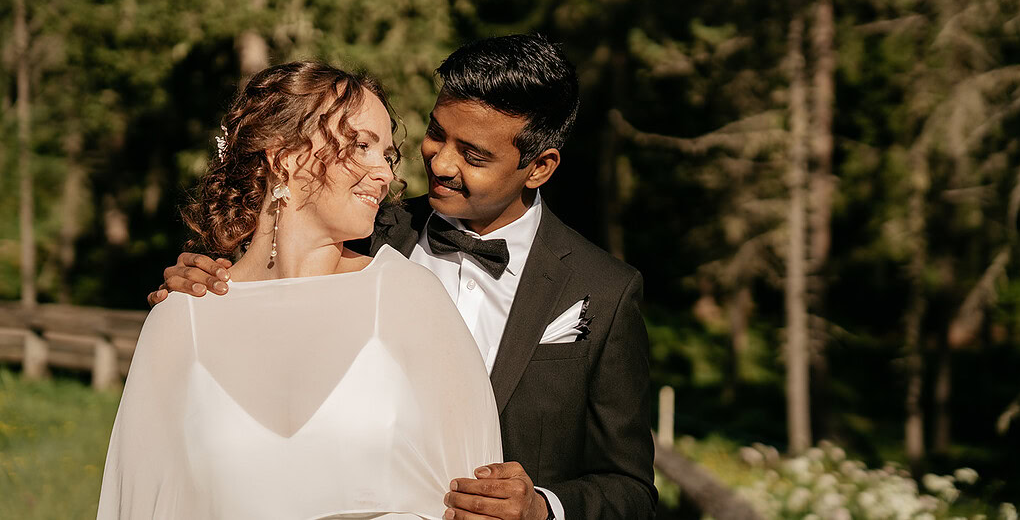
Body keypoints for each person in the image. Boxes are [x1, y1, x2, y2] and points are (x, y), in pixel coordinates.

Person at [156, 35, 657, 519]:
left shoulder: (604, 291)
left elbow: (630, 488)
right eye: (437, 133)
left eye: (474, 155)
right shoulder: (363, 232)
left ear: (539, 168)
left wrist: (544, 508)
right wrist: (205, 289)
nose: (440, 161)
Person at [101, 61, 502, 520]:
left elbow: (477, 495)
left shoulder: (410, 298)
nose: (386, 174)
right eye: (362, 146)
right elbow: (135, 503)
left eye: (386, 154)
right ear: (284, 157)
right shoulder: (183, 316)